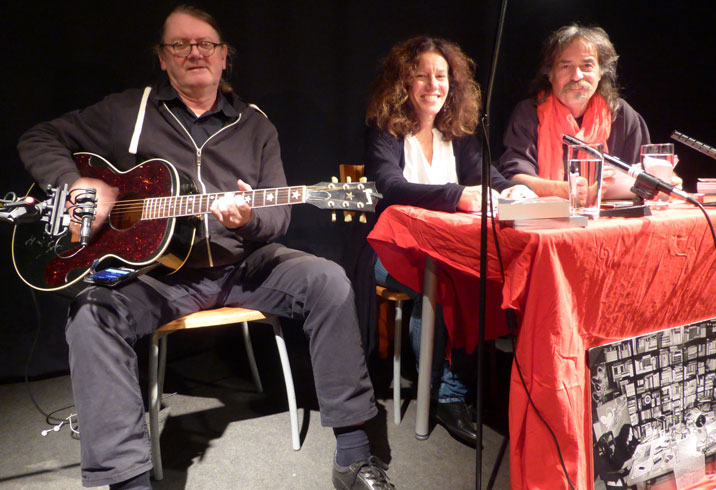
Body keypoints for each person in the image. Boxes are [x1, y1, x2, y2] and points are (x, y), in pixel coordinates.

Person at [17, 6, 393, 490]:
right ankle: (126, 480)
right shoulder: (126, 111)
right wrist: (75, 185)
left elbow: (276, 218)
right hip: (158, 277)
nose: (194, 52)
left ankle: (355, 455)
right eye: (180, 44)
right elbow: (38, 137)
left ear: (223, 57)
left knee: (327, 280)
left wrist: (249, 216)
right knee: (92, 316)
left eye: (206, 44)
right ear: (162, 57)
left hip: (244, 265)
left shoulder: (256, 126)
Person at [355, 36, 534, 447]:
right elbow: (389, 186)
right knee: (440, 284)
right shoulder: (384, 129)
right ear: (403, 82)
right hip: (392, 251)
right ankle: (444, 396)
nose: (433, 85)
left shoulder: (460, 132)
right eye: (421, 76)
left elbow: (486, 176)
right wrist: (455, 195)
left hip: (449, 251)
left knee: (472, 275)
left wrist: (513, 193)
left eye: (441, 76)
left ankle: (445, 391)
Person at [497, 24, 652, 198]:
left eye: (587, 66)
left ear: (600, 72)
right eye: (566, 66)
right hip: (548, 219)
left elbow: (645, 174)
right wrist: (570, 191)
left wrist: (664, 181)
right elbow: (514, 177)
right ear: (549, 73)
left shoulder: (622, 113)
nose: (577, 76)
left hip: (611, 220)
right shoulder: (529, 113)